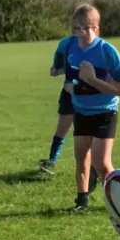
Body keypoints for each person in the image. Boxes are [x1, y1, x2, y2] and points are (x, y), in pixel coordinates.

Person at [63, 4, 120, 211]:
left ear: (97, 28)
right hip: (81, 111)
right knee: (81, 158)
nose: (82, 32)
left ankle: (118, 202)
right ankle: (82, 201)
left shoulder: (107, 51)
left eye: (87, 27)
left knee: (101, 163)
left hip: (105, 112)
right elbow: (72, 77)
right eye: (77, 28)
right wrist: (72, 87)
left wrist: (92, 80)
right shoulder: (70, 48)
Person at [37, 31, 75, 175]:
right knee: (63, 129)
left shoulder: (96, 46)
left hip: (88, 94)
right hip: (69, 93)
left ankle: (92, 168)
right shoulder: (65, 44)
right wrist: (65, 69)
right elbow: (54, 70)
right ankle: (52, 161)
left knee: (86, 133)